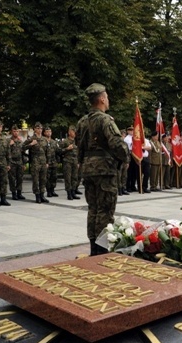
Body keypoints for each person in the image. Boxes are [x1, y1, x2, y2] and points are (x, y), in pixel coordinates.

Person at [76, 83, 129, 255]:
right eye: (106, 97)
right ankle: (103, 251)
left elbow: (80, 147)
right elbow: (117, 144)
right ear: (101, 99)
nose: (108, 100)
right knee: (105, 211)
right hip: (105, 170)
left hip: (88, 169)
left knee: (93, 209)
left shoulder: (82, 122)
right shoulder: (105, 120)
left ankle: (93, 248)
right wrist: (125, 157)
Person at [23, 122, 49, 203]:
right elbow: (22, 147)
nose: (40, 130)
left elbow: (47, 151)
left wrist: (47, 162)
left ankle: (42, 195)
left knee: (43, 179)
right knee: (35, 179)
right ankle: (37, 195)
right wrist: (31, 144)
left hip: (43, 161)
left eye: (41, 128)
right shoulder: (31, 138)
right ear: (34, 129)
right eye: (38, 128)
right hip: (35, 162)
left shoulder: (44, 139)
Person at [59, 126, 80, 200]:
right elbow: (59, 151)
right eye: (73, 131)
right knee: (68, 178)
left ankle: (73, 191)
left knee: (74, 177)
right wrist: (67, 149)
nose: (74, 133)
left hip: (74, 161)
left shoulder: (75, 141)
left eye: (75, 132)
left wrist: (78, 162)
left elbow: (77, 152)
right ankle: (69, 193)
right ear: (69, 132)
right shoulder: (65, 141)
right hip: (67, 161)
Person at [7, 125, 26, 200]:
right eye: (14, 131)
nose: (16, 133)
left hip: (20, 161)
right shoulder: (8, 141)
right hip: (12, 161)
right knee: (12, 178)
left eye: (17, 131)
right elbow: (5, 151)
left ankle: (19, 193)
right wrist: (9, 145)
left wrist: (24, 163)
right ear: (12, 132)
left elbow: (23, 153)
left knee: (20, 178)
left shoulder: (20, 141)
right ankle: (13, 193)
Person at [44, 126, 59, 197]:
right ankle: (48, 191)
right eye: (47, 131)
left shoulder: (54, 142)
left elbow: (58, 151)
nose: (49, 133)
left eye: (50, 131)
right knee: (47, 177)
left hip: (54, 162)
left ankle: (53, 190)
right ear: (44, 133)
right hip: (46, 162)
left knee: (54, 177)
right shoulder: (43, 141)